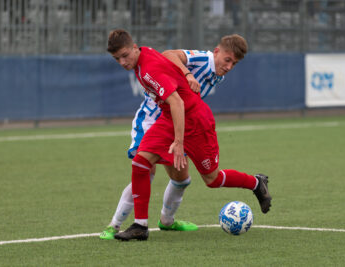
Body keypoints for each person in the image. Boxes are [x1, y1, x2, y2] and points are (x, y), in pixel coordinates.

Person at [107, 29, 272, 241]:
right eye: (117, 58)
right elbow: (170, 63)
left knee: (211, 179)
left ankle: (256, 183)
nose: (122, 62)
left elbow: (177, 101)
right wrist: (187, 74)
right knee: (141, 162)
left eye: (124, 56)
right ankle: (140, 226)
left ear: (135, 48)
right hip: (169, 117)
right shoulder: (145, 57)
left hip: (195, 121)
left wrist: (178, 141)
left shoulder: (147, 69)